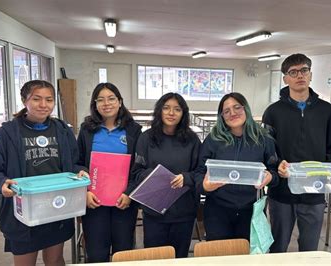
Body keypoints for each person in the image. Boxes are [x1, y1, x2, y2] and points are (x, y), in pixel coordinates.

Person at [0, 80, 85, 266]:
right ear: (24, 100)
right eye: (36, 99)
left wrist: (81, 172)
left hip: (57, 207)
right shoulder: (7, 134)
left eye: (49, 100)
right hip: (22, 213)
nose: (44, 105)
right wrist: (1, 183)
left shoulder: (62, 130)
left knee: (54, 260)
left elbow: (75, 164)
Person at [262, 54, 331, 252]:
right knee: (278, 245)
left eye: (304, 70)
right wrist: (277, 165)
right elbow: (267, 149)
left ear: (310, 74)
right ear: (285, 78)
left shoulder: (326, 110)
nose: (299, 76)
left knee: (310, 248)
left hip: (314, 190)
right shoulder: (273, 112)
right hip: (282, 192)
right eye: (293, 72)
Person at [196, 92, 279, 241]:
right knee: (219, 256)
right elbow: (199, 172)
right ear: (221, 116)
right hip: (217, 211)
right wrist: (205, 187)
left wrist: (270, 177)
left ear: (245, 108)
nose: (232, 113)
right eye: (226, 111)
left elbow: (275, 172)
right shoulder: (213, 139)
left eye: (237, 107)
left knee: (246, 257)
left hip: (251, 210)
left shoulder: (264, 139)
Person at [76, 82, 142, 262]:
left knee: (123, 252)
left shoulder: (134, 131)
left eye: (111, 98)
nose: (107, 103)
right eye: (101, 100)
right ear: (95, 104)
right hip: (94, 203)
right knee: (96, 253)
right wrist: (86, 191)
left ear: (120, 102)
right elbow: (77, 163)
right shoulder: (86, 130)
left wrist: (129, 193)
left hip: (124, 202)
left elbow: (139, 167)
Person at [131, 93, 201, 258]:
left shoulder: (192, 140)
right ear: (159, 111)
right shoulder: (146, 138)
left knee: (179, 257)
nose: (171, 113)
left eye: (177, 109)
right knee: (155, 258)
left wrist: (187, 178)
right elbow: (137, 172)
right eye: (166, 108)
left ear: (183, 113)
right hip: (154, 212)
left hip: (183, 212)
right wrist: (154, 177)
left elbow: (200, 172)